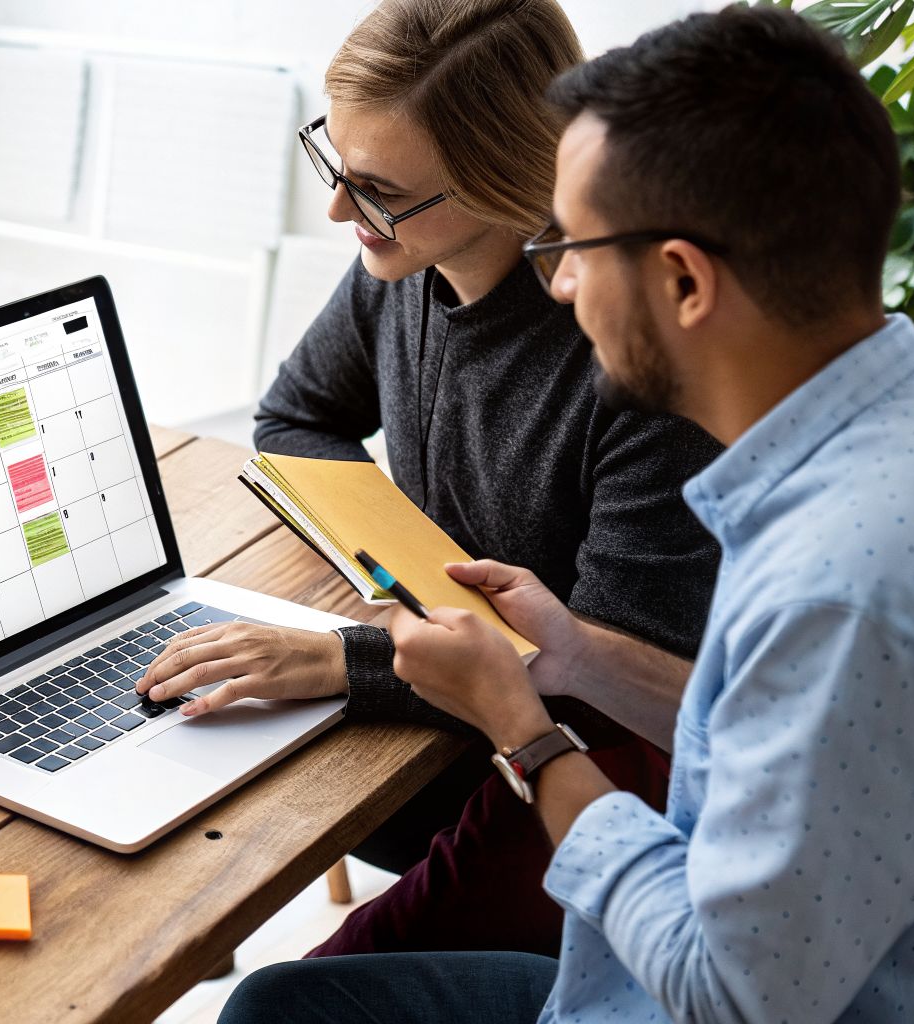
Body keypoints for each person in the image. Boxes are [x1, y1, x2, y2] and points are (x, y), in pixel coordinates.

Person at [220, 5, 914, 1022]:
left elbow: (724, 994)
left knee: (274, 1011)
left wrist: (525, 732)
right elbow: (779, 743)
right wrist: (575, 659)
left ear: (681, 278)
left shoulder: (841, 582)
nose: (554, 285)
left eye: (573, 248)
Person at [137, 0, 720, 958]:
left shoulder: (633, 354)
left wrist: (349, 657)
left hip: (585, 769)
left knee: (272, 977)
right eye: (334, 158)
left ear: (506, 177)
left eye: (375, 186)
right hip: (445, 710)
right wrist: (398, 581)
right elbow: (296, 419)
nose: (337, 210)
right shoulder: (402, 260)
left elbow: (609, 668)